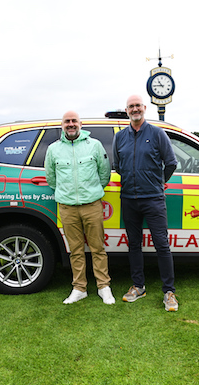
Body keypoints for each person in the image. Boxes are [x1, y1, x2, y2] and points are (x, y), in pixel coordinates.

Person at [113, 95, 180, 312]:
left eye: (138, 106)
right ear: (127, 110)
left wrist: (159, 181)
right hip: (129, 199)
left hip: (153, 199)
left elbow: (170, 163)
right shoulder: (120, 137)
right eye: (131, 107)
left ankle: (169, 292)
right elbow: (118, 166)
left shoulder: (157, 133)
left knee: (162, 245)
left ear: (144, 108)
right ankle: (138, 286)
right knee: (134, 244)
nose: (134, 109)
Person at [44, 111, 114, 305]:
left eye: (74, 121)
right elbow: (51, 178)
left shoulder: (95, 146)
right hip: (67, 207)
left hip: (92, 204)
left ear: (80, 124)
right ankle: (79, 288)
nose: (71, 124)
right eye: (67, 121)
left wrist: (92, 192)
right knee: (75, 250)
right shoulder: (53, 149)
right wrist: (66, 193)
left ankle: (103, 286)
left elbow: (104, 174)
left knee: (97, 247)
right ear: (62, 125)